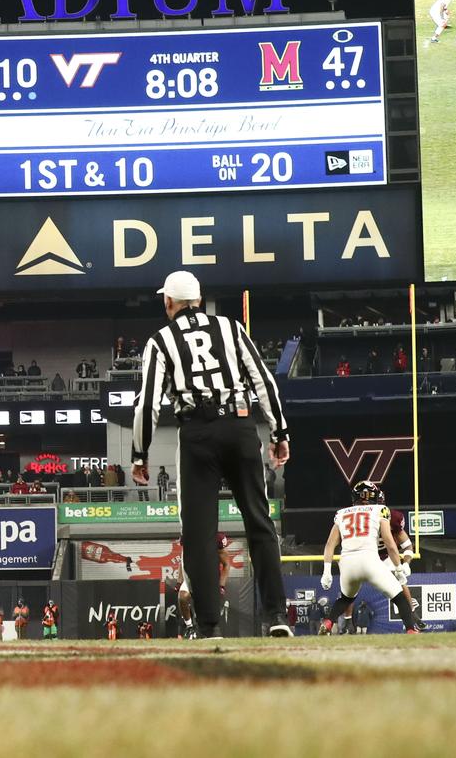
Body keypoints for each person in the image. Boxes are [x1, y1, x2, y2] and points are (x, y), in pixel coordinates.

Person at [131, 269, 292, 639]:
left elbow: (146, 405)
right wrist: (279, 431)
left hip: (197, 434)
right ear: (200, 300)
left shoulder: (161, 340)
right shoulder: (231, 329)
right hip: (239, 426)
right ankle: (276, 615)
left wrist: (140, 454)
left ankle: (209, 626)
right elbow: (264, 382)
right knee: (259, 521)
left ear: (168, 302)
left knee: (198, 535)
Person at [318, 480, 422, 634]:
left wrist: (326, 571)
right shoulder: (380, 510)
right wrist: (399, 568)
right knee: (399, 598)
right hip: (370, 560)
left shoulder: (341, 513)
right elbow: (390, 543)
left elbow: (329, 544)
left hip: (347, 563)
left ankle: (328, 622)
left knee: (346, 599)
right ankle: (411, 630)